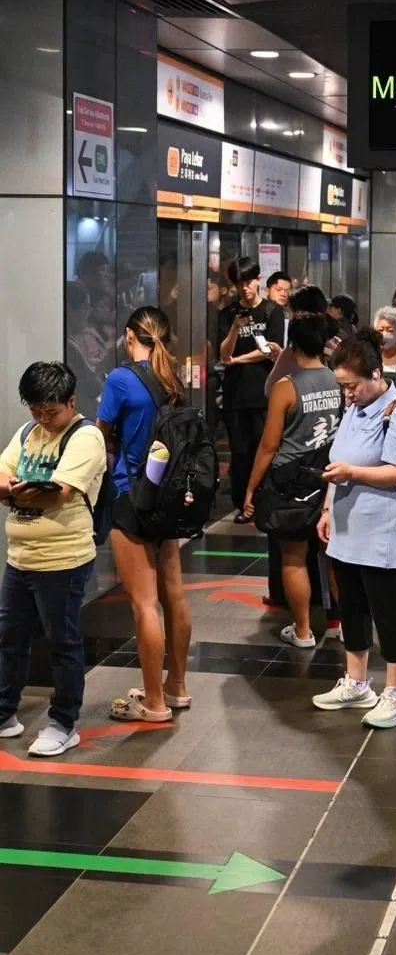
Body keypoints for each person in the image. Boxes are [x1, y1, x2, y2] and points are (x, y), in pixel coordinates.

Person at [312, 330, 396, 728]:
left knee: (388, 609)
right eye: (342, 387)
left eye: (351, 386)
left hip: (381, 531)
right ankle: (357, 682)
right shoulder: (355, 409)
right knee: (352, 606)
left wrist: (352, 473)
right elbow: (338, 461)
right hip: (346, 527)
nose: (347, 394)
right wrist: (327, 508)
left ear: (376, 374)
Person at [0, 362, 106, 755]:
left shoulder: (86, 436)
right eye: (36, 411)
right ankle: (4, 713)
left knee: (63, 642)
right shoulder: (28, 432)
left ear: (71, 402)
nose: (44, 420)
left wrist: (16, 491)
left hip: (63, 560)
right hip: (19, 558)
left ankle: (64, 722)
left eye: (51, 412)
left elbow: (57, 493)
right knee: (10, 639)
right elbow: (2, 478)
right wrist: (16, 492)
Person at [98, 307, 194, 723]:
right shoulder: (172, 376)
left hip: (132, 495)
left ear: (127, 336)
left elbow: (101, 435)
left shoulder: (120, 380)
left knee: (143, 603)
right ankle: (177, 688)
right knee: (173, 593)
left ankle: (153, 702)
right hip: (168, 495)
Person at [243, 288, 342, 649]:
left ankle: (302, 630)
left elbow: (269, 445)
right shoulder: (338, 381)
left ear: (294, 347)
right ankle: (342, 623)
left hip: (292, 482)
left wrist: (251, 489)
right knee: (333, 555)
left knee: (293, 556)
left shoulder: (286, 387)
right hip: (330, 478)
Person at [219, 257, 285, 521]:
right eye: (239, 283)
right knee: (240, 450)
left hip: (265, 391)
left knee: (265, 446)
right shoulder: (228, 314)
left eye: (248, 281)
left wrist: (238, 359)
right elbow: (224, 354)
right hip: (236, 393)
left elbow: (273, 350)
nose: (244, 288)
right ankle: (241, 503)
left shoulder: (272, 311)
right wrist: (235, 330)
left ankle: (260, 499)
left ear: (258, 280)